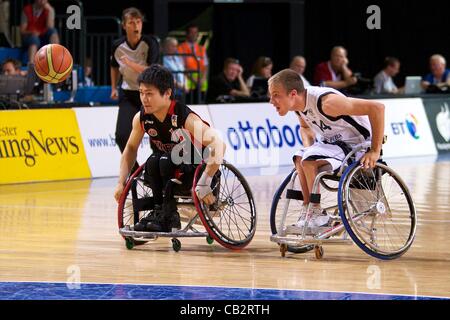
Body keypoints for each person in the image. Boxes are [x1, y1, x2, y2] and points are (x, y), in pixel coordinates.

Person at [268, 69, 384, 232]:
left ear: (293, 94)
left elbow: (377, 108)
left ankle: (316, 212)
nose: (271, 101)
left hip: (358, 146)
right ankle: (310, 209)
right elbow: (305, 128)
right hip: (337, 145)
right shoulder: (299, 106)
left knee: (309, 159)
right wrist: (309, 148)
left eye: (275, 95)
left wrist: (375, 150)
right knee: (300, 157)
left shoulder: (327, 103)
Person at [113, 65, 226, 233]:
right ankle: (160, 212)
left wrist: (205, 181)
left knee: (165, 160)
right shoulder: (142, 118)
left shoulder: (185, 117)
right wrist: (121, 182)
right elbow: (130, 149)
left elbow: (219, 144)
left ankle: (169, 216)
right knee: (153, 161)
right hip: (171, 171)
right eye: (141, 93)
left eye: (149, 93)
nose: (144, 99)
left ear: (167, 93)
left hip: (198, 172)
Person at [110, 7, 159, 173]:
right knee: (122, 136)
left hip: (151, 96)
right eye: (131, 22)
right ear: (124, 26)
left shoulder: (150, 42)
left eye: (138, 22)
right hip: (128, 94)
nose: (136, 25)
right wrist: (113, 87)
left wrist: (130, 64)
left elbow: (149, 70)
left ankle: (162, 174)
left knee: (157, 139)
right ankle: (137, 174)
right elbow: (114, 66)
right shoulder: (117, 46)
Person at [178, 24, 208, 104]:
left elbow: (206, 65)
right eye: (192, 32)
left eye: (196, 32)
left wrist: (203, 79)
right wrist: (193, 79)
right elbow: (181, 66)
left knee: (201, 106)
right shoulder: (181, 47)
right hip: (188, 81)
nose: (194, 34)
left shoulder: (201, 48)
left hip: (201, 83)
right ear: (187, 34)